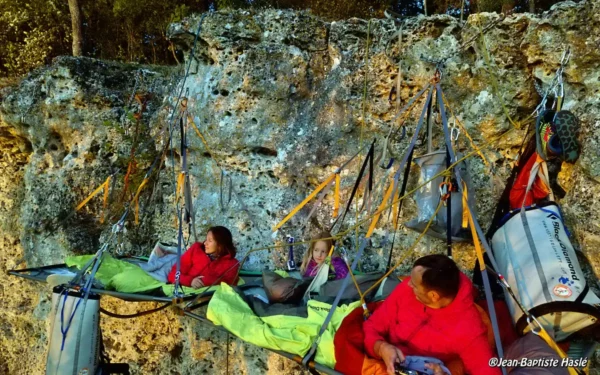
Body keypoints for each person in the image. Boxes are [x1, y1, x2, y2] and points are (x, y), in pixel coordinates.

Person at [363, 254, 501, 375]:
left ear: (434, 295)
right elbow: (372, 325)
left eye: (415, 284)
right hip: (382, 357)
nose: (408, 284)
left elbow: (487, 370)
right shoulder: (406, 290)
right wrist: (381, 348)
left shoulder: (467, 330)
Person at [141, 226, 240, 288]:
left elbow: (228, 284)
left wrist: (203, 281)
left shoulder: (232, 264)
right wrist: (190, 281)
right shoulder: (196, 249)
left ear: (220, 245)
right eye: (206, 239)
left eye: (210, 240)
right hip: (183, 280)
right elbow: (174, 274)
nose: (205, 243)